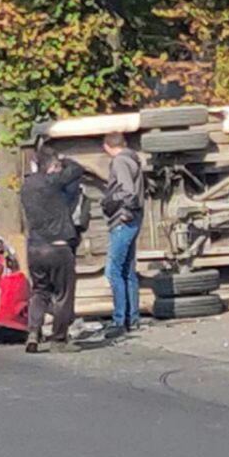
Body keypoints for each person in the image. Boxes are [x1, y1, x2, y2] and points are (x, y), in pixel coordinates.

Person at [20, 146, 85, 353]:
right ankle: (58, 339)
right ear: (51, 168)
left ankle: (33, 332)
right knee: (63, 295)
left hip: (35, 248)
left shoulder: (26, 186)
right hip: (58, 247)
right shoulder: (53, 183)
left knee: (39, 291)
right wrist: (64, 159)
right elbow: (76, 169)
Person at [102, 131, 144, 335]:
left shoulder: (119, 162)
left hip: (123, 219)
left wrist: (111, 201)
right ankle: (132, 317)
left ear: (107, 146)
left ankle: (119, 319)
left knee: (113, 270)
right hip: (134, 219)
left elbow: (128, 191)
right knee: (128, 270)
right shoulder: (133, 159)